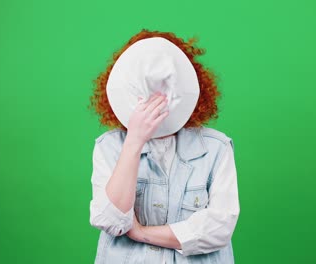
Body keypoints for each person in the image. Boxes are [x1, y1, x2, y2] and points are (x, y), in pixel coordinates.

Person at [88, 29, 240, 263]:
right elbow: (110, 220)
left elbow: (219, 227)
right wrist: (135, 140)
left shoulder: (217, 148)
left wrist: (141, 233)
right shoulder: (109, 146)